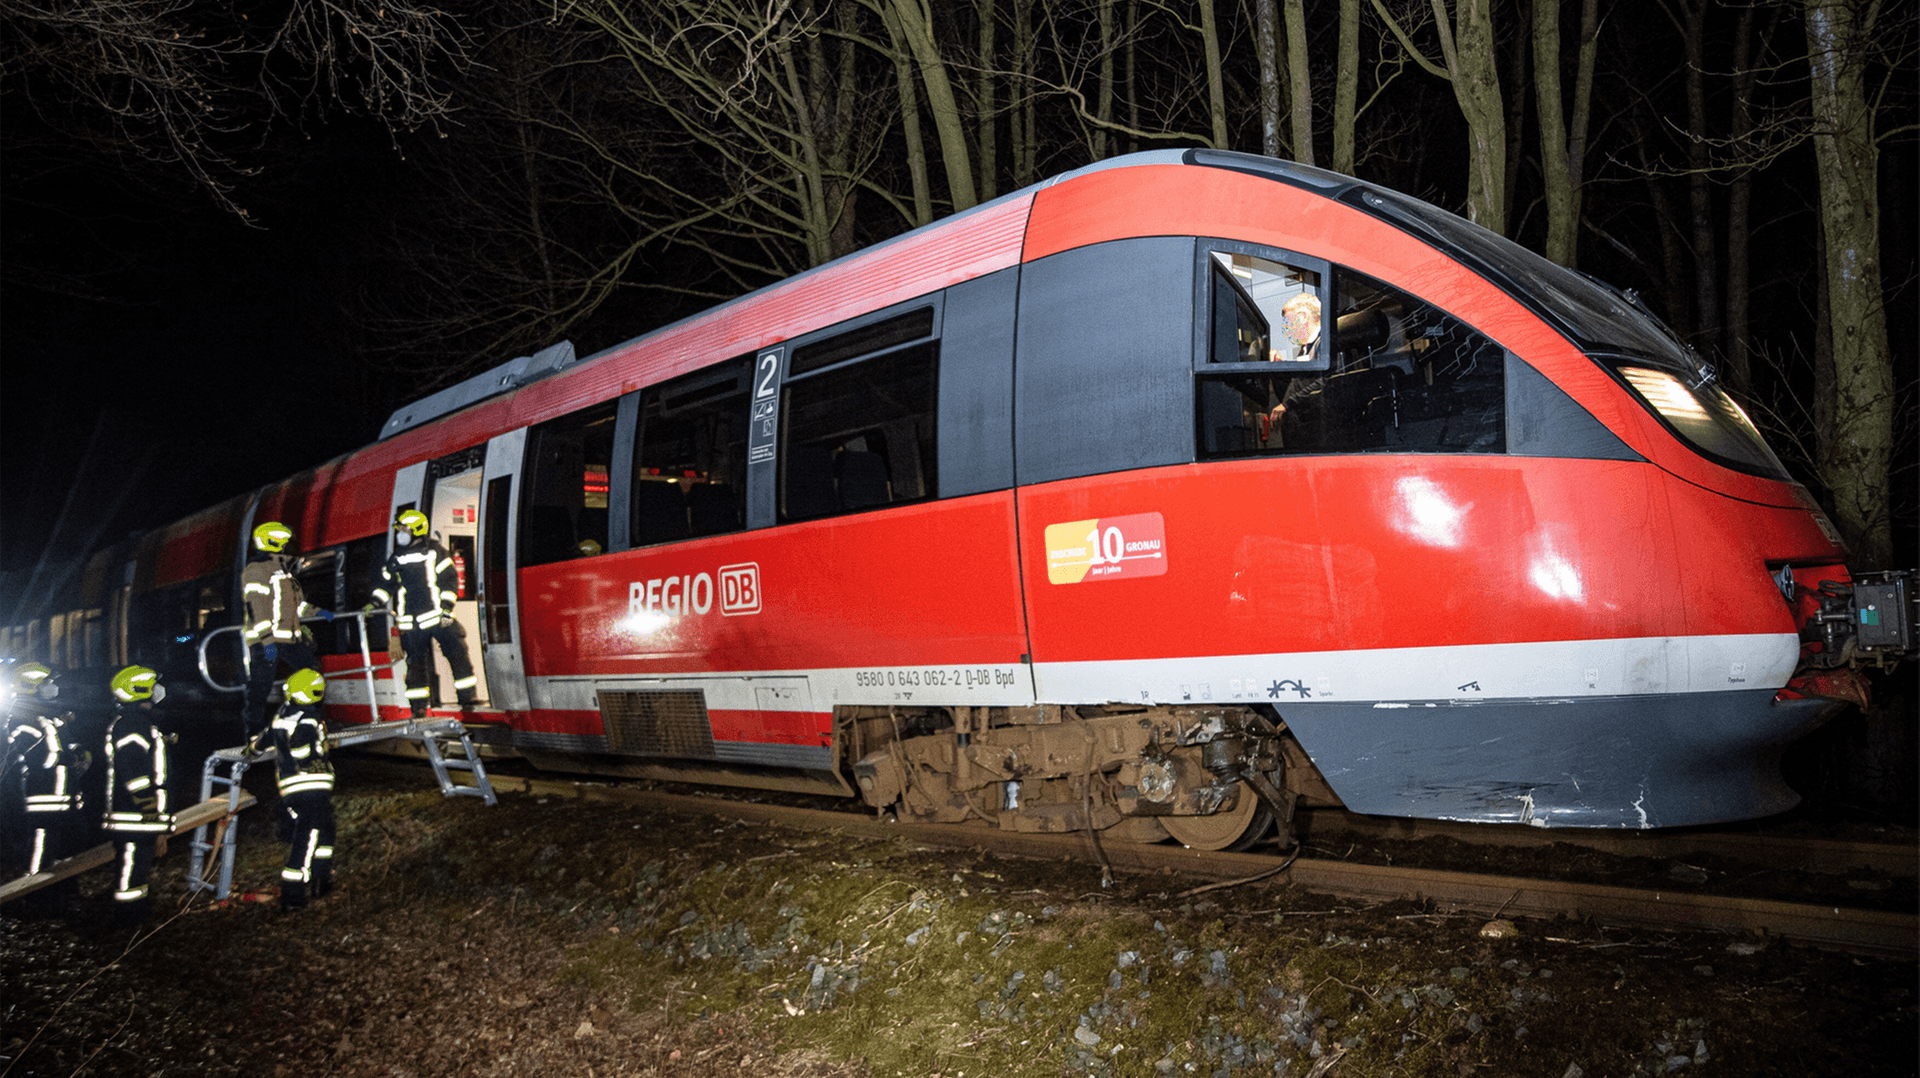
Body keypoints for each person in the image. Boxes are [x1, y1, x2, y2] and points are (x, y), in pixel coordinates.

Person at [370, 509, 477, 719]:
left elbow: (449, 580)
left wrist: (447, 608)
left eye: (403, 529)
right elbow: (385, 585)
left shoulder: (436, 552)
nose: (400, 533)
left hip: (437, 617)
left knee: (457, 652)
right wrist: (374, 603)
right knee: (415, 667)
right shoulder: (397, 558)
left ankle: (467, 698)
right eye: (399, 529)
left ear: (416, 530)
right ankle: (419, 708)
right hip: (413, 623)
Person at [3, 662, 91, 913]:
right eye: (47, 683)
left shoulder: (46, 716)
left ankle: (65, 889)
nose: (53, 688)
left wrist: (77, 753)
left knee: (69, 843)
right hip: (42, 796)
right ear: (32, 686)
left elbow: (64, 746)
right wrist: (64, 755)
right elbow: (41, 757)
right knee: (41, 845)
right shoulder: (19, 719)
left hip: (64, 796)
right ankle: (35, 895)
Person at [248, 668, 335, 911]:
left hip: (293, 788)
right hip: (309, 786)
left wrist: (251, 750)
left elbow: (264, 739)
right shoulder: (308, 719)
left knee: (326, 830)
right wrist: (314, 756)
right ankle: (293, 895)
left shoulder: (282, 716)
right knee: (309, 838)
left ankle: (321, 880)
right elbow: (302, 749)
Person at [242, 521, 330, 738]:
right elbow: (257, 608)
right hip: (265, 642)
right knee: (261, 686)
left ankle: (312, 720)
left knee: (311, 671)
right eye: (278, 540)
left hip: (290, 640)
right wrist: (267, 640)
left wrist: (321, 613)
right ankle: (253, 732)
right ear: (266, 541)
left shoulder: (287, 574)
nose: (284, 544)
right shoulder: (256, 569)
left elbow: (297, 607)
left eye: (284, 540)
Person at [104, 665, 174, 925]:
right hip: (133, 814)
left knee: (138, 867)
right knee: (131, 868)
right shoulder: (133, 724)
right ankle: (127, 917)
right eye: (153, 685)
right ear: (141, 690)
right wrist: (149, 807)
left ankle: (138, 910)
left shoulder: (138, 723)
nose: (158, 690)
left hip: (138, 814)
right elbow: (131, 768)